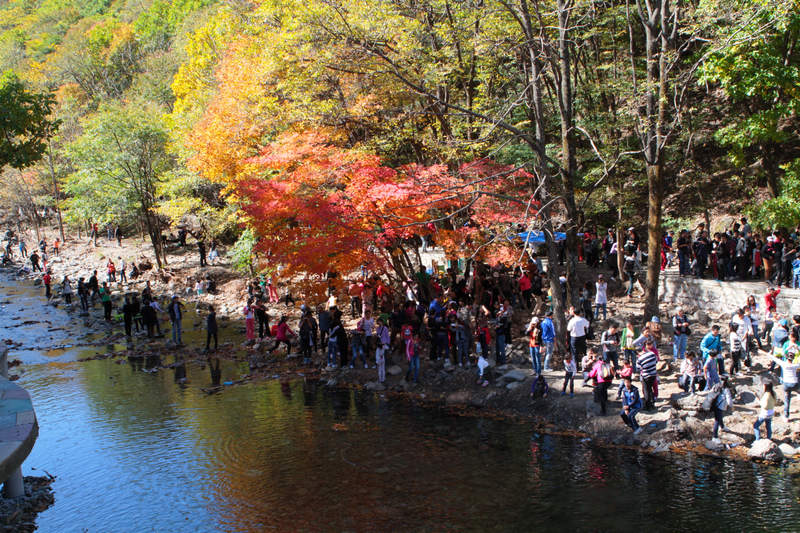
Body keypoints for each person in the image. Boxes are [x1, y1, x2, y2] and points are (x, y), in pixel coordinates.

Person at [770, 352, 799, 420]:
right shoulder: (795, 365)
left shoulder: (783, 364)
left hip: (786, 384)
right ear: (793, 358)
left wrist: (763, 352)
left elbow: (774, 358)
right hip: (795, 384)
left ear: (786, 357)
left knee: (787, 400)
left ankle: (786, 416)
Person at [637, 341, 659, 410]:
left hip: (646, 375)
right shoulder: (652, 354)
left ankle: (648, 405)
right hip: (653, 374)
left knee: (646, 390)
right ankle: (652, 403)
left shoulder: (640, 358)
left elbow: (638, 368)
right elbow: (656, 361)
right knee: (650, 389)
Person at [375, 317, 390, 383]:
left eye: (380, 321)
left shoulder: (385, 328)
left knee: (382, 363)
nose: (379, 323)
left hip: (383, 345)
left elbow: (387, 336)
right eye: (378, 322)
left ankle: (383, 378)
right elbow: (377, 336)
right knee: (380, 363)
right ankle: (380, 378)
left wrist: (387, 343)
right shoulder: (378, 329)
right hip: (379, 345)